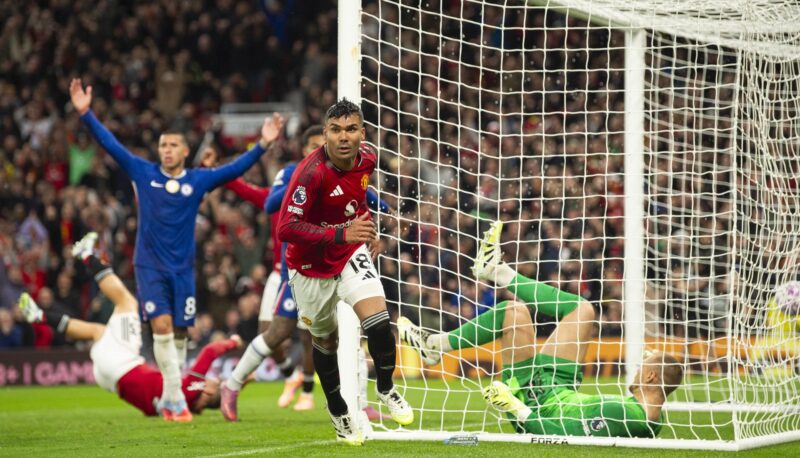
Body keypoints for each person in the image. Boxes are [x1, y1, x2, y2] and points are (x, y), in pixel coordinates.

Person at [69, 78, 283, 421]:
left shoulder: (197, 180)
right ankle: (174, 399)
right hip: (149, 265)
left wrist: (262, 144)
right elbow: (112, 145)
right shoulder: (143, 172)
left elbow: (233, 169)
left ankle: (173, 394)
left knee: (181, 332)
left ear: (185, 151)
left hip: (183, 269)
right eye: (163, 145)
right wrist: (85, 114)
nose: (166, 150)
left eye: (173, 145)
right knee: (163, 325)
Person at [399, 221, 684, 439]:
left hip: (537, 401)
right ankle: (497, 271)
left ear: (651, 376)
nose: (637, 369)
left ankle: (435, 345)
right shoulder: (652, 419)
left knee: (513, 312)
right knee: (583, 310)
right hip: (561, 387)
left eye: (643, 365)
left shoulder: (625, 414)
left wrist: (515, 406)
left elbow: (559, 434)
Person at [220, 125, 392, 421]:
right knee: (278, 333)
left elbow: (365, 197)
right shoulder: (293, 173)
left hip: (339, 262)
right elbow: (270, 203)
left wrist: (380, 213)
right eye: (314, 145)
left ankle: (358, 401)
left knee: (352, 329)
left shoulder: (342, 169)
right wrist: (306, 181)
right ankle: (234, 384)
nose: (321, 150)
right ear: (304, 150)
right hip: (299, 269)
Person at [276, 99, 412, 445]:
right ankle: (338, 410)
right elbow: (286, 228)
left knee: (379, 322)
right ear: (325, 134)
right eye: (335, 130)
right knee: (325, 341)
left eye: (351, 129)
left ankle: (386, 387)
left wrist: (367, 228)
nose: (343, 137)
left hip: (350, 254)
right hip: (310, 268)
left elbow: (358, 196)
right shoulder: (310, 174)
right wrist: (341, 234)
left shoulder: (368, 158)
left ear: (362, 133)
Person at [16, 232, 243, 419]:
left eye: (215, 382)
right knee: (98, 332)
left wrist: (233, 342)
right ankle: (39, 315)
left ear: (209, 391)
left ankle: (85, 254)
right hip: (110, 379)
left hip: (123, 364)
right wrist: (242, 378)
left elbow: (210, 351)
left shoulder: (190, 389)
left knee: (127, 303)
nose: (211, 380)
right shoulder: (179, 404)